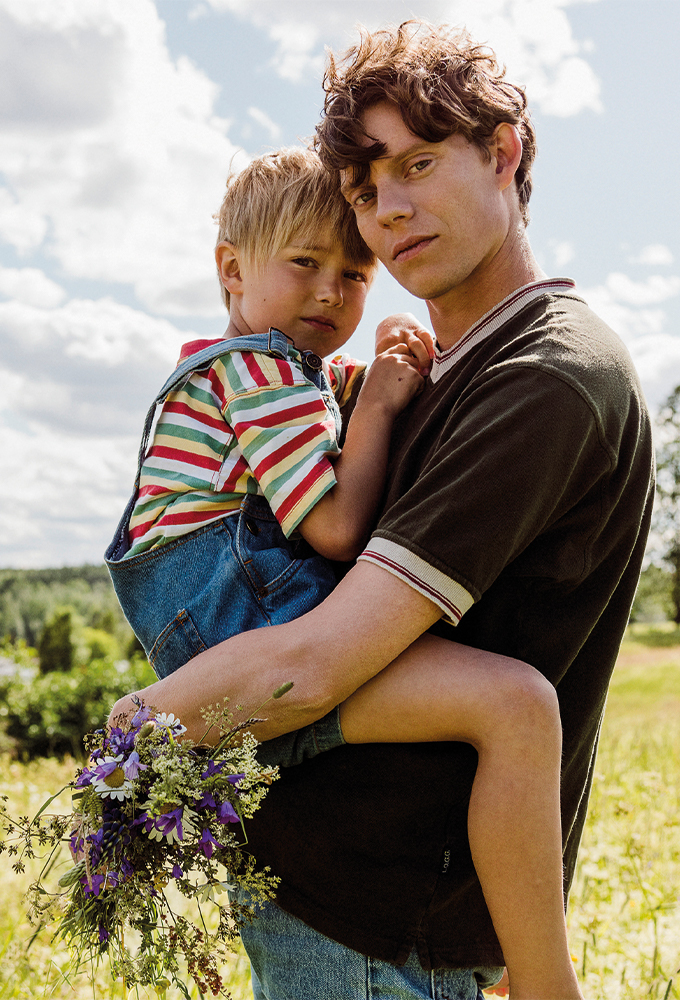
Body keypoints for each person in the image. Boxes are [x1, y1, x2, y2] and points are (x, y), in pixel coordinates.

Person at [109, 22, 655, 998]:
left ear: (502, 154)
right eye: (365, 192)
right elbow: (311, 612)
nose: (389, 212)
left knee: (513, 709)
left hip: (379, 921)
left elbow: (314, 658)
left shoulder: (543, 376)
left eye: (417, 163)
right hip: (340, 905)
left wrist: (139, 731)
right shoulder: (402, 375)